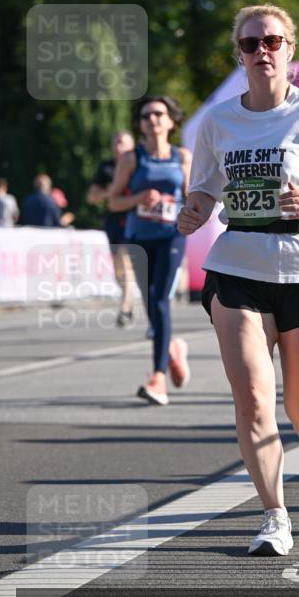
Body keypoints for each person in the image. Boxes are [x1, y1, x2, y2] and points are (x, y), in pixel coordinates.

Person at [177, 4, 299, 556]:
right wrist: (194, 210)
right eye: (252, 44)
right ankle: (274, 515)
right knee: (254, 397)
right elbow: (205, 190)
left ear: (290, 49)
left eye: (273, 42)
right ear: (240, 53)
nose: (263, 52)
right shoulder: (217, 122)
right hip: (238, 266)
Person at [108, 97, 192, 405]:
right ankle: (172, 349)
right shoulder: (132, 159)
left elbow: (193, 198)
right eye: (145, 116)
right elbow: (114, 201)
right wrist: (139, 198)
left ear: (171, 120)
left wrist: (183, 206)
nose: (152, 119)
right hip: (139, 238)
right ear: (141, 124)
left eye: (158, 114)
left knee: (159, 298)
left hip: (172, 236)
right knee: (151, 305)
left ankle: (158, 378)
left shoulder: (183, 157)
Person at [88, 131, 137, 327]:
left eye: (123, 143)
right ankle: (129, 301)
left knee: (125, 262)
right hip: (113, 221)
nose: (119, 147)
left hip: (134, 219)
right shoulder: (106, 167)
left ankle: (125, 307)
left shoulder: (138, 165)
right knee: (118, 268)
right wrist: (111, 192)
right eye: (116, 142)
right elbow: (91, 197)